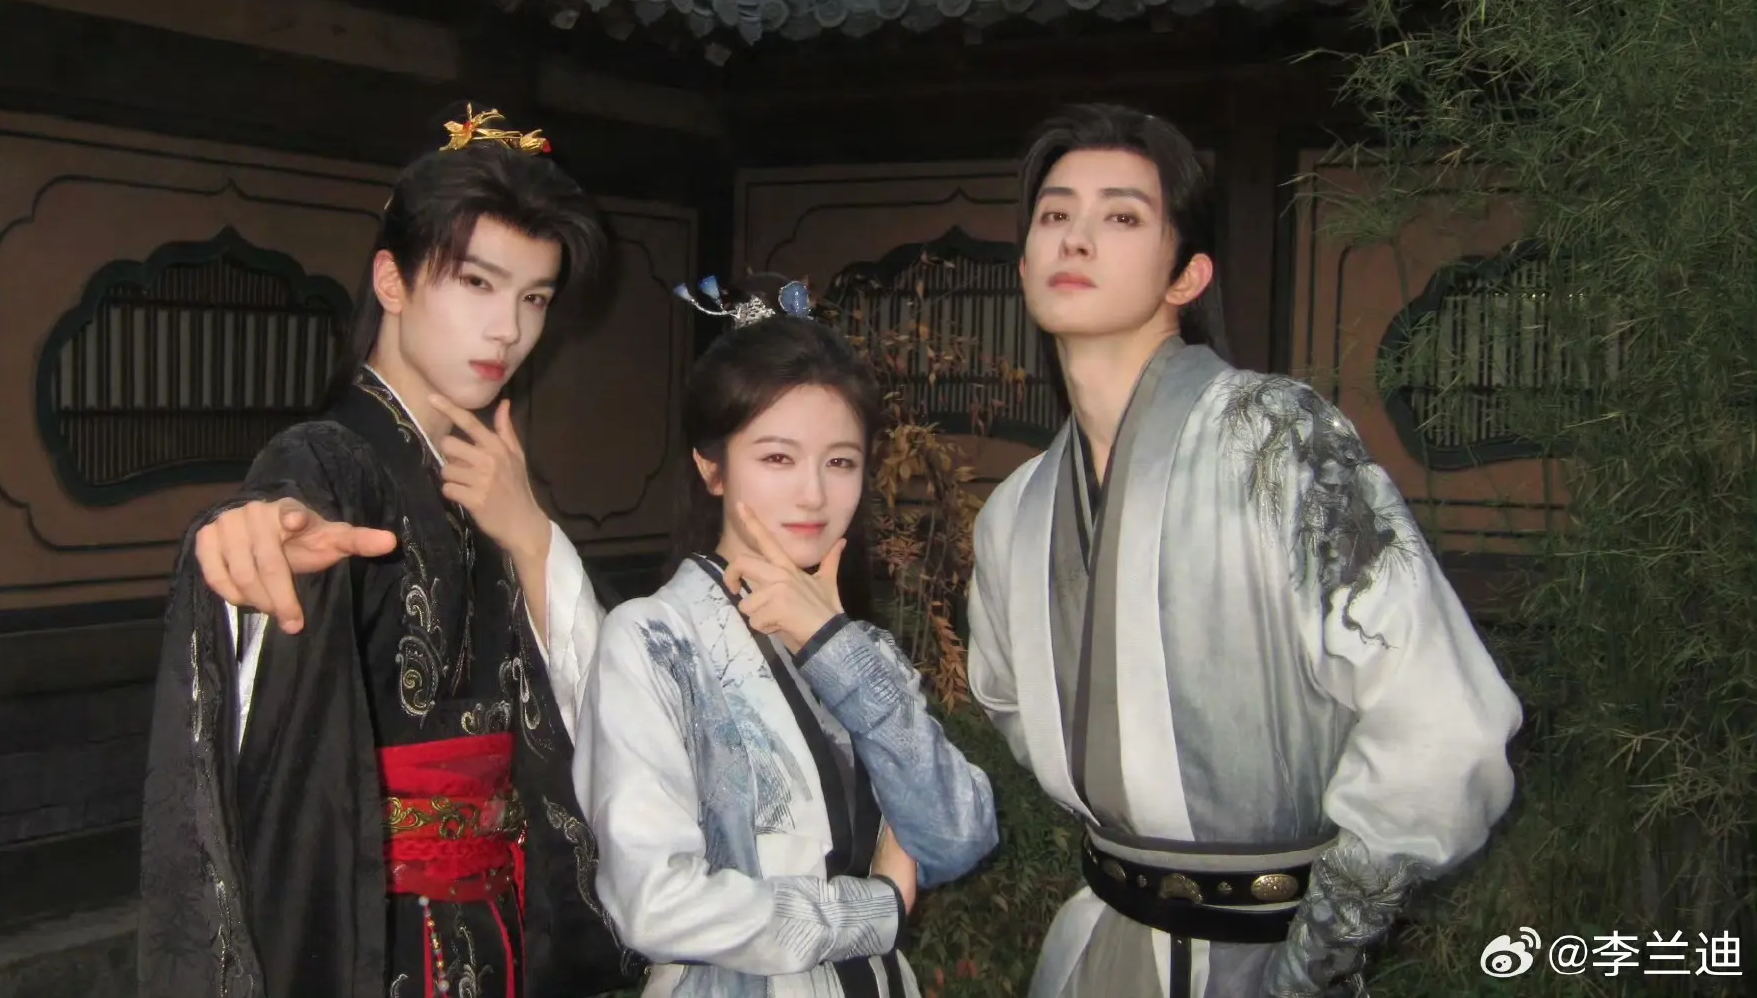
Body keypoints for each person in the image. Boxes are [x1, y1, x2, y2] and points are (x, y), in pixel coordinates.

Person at [964, 104, 1523, 998]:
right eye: (1054, 214)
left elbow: (1448, 726)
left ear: (1188, 274)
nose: (1076, 238)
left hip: (1270, 953)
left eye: (1121, 216)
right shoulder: (1017, 509)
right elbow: (1008, 697)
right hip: (1101, 941)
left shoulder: (1278, 441)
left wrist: (1321, 951)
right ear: (1025, 260)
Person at [139, 104, 644, 998]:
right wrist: (242, 541)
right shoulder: (326, 459)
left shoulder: (490, 479)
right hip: (376, 936)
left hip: (495, 921)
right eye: (478, 284)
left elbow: (593, 711)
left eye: (534, 298)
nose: (508, 330)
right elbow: (276, 518)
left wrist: (531, 537)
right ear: (393, 279)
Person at [571, 275, 1000, 997]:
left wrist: (832, 645)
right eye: (777, 457)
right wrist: (874, 910)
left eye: (841, 461)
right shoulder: (651, 640)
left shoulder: (861, 651)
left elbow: (960, 835)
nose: (813, 494)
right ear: (711, 467)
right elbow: (654, 902)